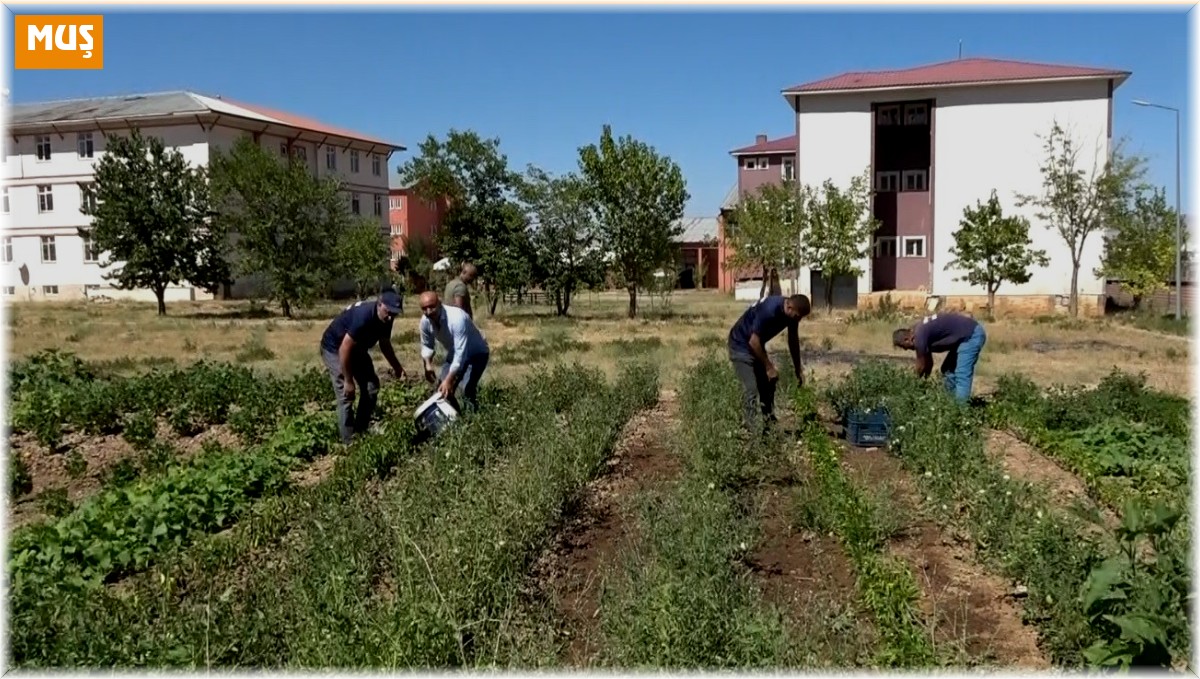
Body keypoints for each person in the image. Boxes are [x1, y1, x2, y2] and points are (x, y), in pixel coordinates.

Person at [319, 290, 407, 445]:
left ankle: (360, 431)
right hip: (335, 348)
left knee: (371, 387)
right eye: (388, 312)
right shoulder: (363, 315)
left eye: (395, 314)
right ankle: (349, 444)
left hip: (357, 348)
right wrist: (348, 380)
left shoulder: (387, 318)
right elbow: (344, 348)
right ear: (380, 304)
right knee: (347, 396)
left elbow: (385, 344)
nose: (391, 317)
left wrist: (398, 368)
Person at [727, 294, 812, 432]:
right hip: (740, 344)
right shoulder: (770, 309)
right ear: (789, 307)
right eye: (798, 316)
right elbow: (753, 341)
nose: (799, 320)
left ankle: (769, 425)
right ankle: (752, 432)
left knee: (768, 383)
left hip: (755, 345)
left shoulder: (792, 316)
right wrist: (768, 366)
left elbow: (793, 341)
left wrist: (798, 369)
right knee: (751, 389)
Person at [418, 290, 491, 413]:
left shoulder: (457, 318)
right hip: (454, 353)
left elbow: (460, 355)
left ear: (439, 303)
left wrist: (449, 379)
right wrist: (428, 365)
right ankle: (454, 419)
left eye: (432, 307)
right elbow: (427, 345)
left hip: (476, 354)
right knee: (443, 390)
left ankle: (472, 420)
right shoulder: (425, 321)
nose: (429, 311)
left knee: (465, 390)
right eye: (424, 308)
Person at [892, 311, 987, 403]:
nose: (906, 350)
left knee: (962, 373)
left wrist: (912, 384)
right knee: (947, 370)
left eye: (904, 347)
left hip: (971, 335)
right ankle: (950, 403)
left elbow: (920, 366)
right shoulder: (918, 331)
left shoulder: (919, 337)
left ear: (907, 339)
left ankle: (960, 412)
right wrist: (923, 383)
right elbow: (928, 364)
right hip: (963, 337)